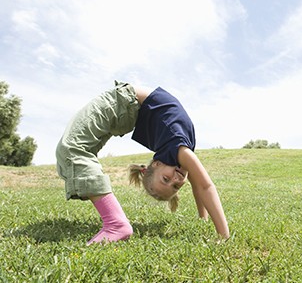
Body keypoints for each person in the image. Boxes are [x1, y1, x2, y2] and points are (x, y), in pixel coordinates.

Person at [56, 81, 229, 245]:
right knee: (72, 151)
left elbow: (199, 186)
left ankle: (116, 224)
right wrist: (218, 230)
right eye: (171, 184)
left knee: (71, 149)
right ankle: (115, 221)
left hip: (123, 107)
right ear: (155, 164)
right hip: (125, 103)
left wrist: (210, 225)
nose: (176, 180)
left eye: (169, 182)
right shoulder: (181, 151)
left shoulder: (179, 153)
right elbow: (202, 186)